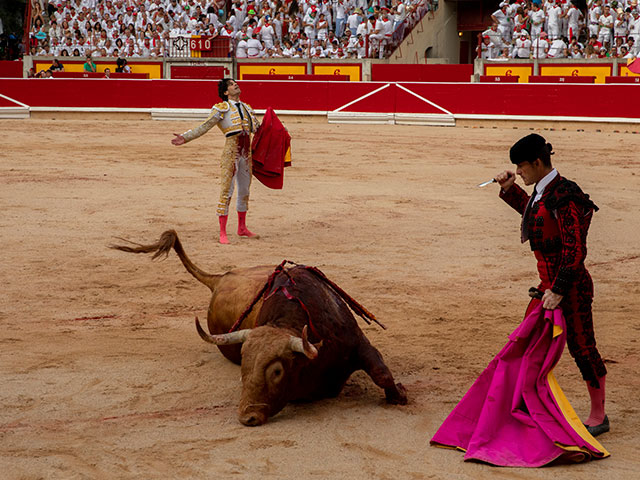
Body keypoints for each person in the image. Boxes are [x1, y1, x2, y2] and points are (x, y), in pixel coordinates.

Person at [494, 134, 609, 437]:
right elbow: (537, 219)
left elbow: (575, 250)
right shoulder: (543, 191)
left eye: (521, 167)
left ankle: (599, 414)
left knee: (583, 349)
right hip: (548, 286)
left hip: (570, 287)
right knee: (527, 345)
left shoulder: (566, 194)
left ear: (537, 162)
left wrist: (558, 290)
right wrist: (509, 189)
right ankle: (525, 404)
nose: (518, 171)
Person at [171, 79, 260, 244]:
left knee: (244, 191)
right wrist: (186, 137)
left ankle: (242, 228)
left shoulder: (248, 108)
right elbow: (205, 126)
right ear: (226, 92)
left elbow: (258, 130)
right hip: (231, 152)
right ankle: (222, 232)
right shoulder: (221, 108)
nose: (236, 85)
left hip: (246, 155)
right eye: (232, 84)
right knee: (227, 190)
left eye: (236, 83)